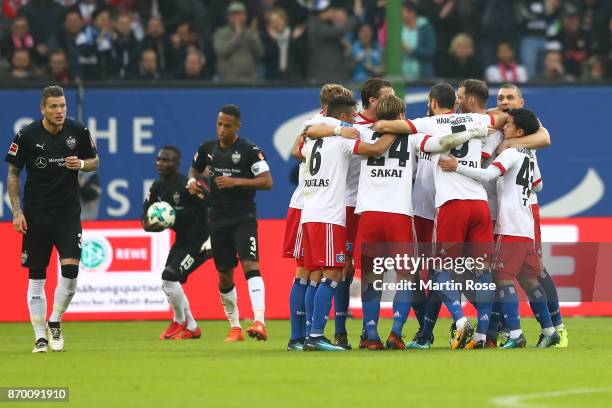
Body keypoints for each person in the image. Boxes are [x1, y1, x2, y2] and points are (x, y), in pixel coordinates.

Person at [374, 82, 506, 349]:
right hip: (479, 202)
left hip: (450, 204)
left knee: (439, 271)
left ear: (433, 102)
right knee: (483, 272)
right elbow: (503, 116)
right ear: (455, 102)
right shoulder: (479, 119)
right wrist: (476, 125)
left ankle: (457, 321)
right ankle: (484, 335)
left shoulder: (429, 123)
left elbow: (388, 126)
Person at [439, 108, 560, 348]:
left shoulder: (511, 153)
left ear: (520, 131)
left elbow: (488, 175)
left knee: (502, 278)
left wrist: (457, 167)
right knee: (529, 280)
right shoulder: (528, 155)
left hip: (511, 227)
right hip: (527, 225)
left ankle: (514, 334)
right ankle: (549, 331)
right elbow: (539, 185)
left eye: (510, 124)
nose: (505, 126)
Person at [298, 95, 406, 351]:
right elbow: (377, 149)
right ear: (345, 117)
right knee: (334, 273)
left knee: (316, 275)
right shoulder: (344, 142)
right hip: (330, 215)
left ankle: (306, 335)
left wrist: (336, 129)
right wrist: (395, 125)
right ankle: (314, 336)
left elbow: (305, 135)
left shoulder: (313, 141)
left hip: (310, 212)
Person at [5, 85, 100, 353]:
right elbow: (13, 174)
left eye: (63, 106)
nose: (60, 111)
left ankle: (55, 320)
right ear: (43, 109)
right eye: (54, 107)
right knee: (37, 276)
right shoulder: (27, 135)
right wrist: (16, 211)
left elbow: (95, 160)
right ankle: (40, 338)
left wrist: (80, 165)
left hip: (68, 213)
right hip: (36, 215)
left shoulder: (78, 131)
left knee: (70, 271)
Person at [188, 104, 272, 342]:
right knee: (224, 275)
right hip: (217, 219)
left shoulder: (249, 150)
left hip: (243, 217)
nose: (222, 129)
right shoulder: (207, 148)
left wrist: (236, 181)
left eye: (227, 125)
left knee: (250, 265)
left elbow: (267, 182)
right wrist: (192, 183)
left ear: (237, 126)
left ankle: (259, 321)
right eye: (219, 124)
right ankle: (235, 327)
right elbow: (194, 170)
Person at [494, 83, 567, 348]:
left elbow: (545, 138)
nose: (505, 101)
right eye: (500, 97)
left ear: (521, 102)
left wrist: (509, 144)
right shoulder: (491, 121)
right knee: (497, 270)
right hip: (494, 205)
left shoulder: (526, 122)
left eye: (510, 97)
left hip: (521, 208)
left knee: (535, 270)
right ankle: (506, 328)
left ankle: (557, 326)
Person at [284, 83, 355, 351]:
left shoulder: (311, 126)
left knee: (309, 273)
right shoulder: (326, 128)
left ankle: (299, 337)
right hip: (315, 206)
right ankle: (312, 335)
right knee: (319, 272)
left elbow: (295, 150)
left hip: (306, 205)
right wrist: (340, 129)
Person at [143, 146, 212, 340]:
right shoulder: (157, 187)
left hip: (200, 240)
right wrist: (151, 226)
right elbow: (145, 220)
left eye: (166, 160)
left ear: (176, 164)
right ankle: (192, 326)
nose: (160, 163)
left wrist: (212, 240)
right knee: (168, 282)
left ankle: (179, 321)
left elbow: (213, 206)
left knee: (169, 276)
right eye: (159, 159)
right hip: (182, 240)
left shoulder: (187, 186)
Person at [213, 2, 264, 81]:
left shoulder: (251, 32)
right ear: (229, 17)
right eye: (234, 15)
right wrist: (236, 36)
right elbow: (221, 51)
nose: (237, 18)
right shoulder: (221, 33)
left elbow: (259, 53)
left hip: (250, 79)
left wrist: (253, 38)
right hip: (229, 79)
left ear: (245, 16)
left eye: (240, 15)